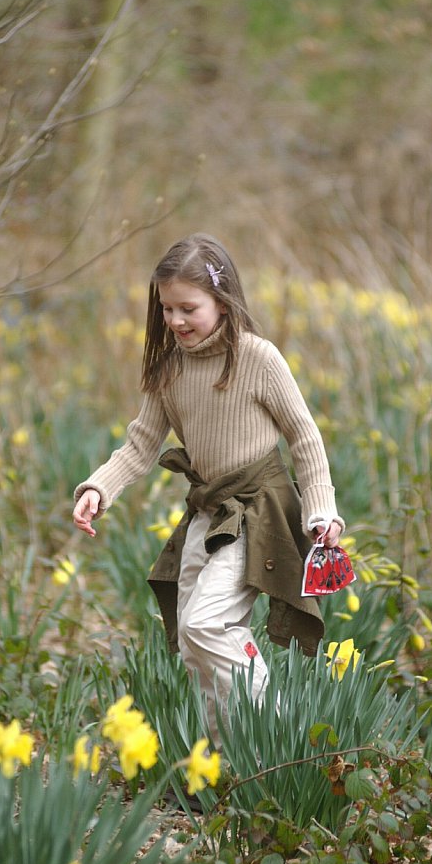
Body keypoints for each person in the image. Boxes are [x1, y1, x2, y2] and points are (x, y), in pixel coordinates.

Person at [72, 232, 344, 739]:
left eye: (188, 308)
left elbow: (304, 437)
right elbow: (140, 444)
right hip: (208, 513)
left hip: (258, 511)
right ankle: (221, 763)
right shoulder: (168, 368)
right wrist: (98, 488)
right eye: (167, 309)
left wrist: (321, 511)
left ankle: (278, 730)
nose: (175, 321)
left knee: (205, 625)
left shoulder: (258, 358)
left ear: (222, 301)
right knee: (193, 643)